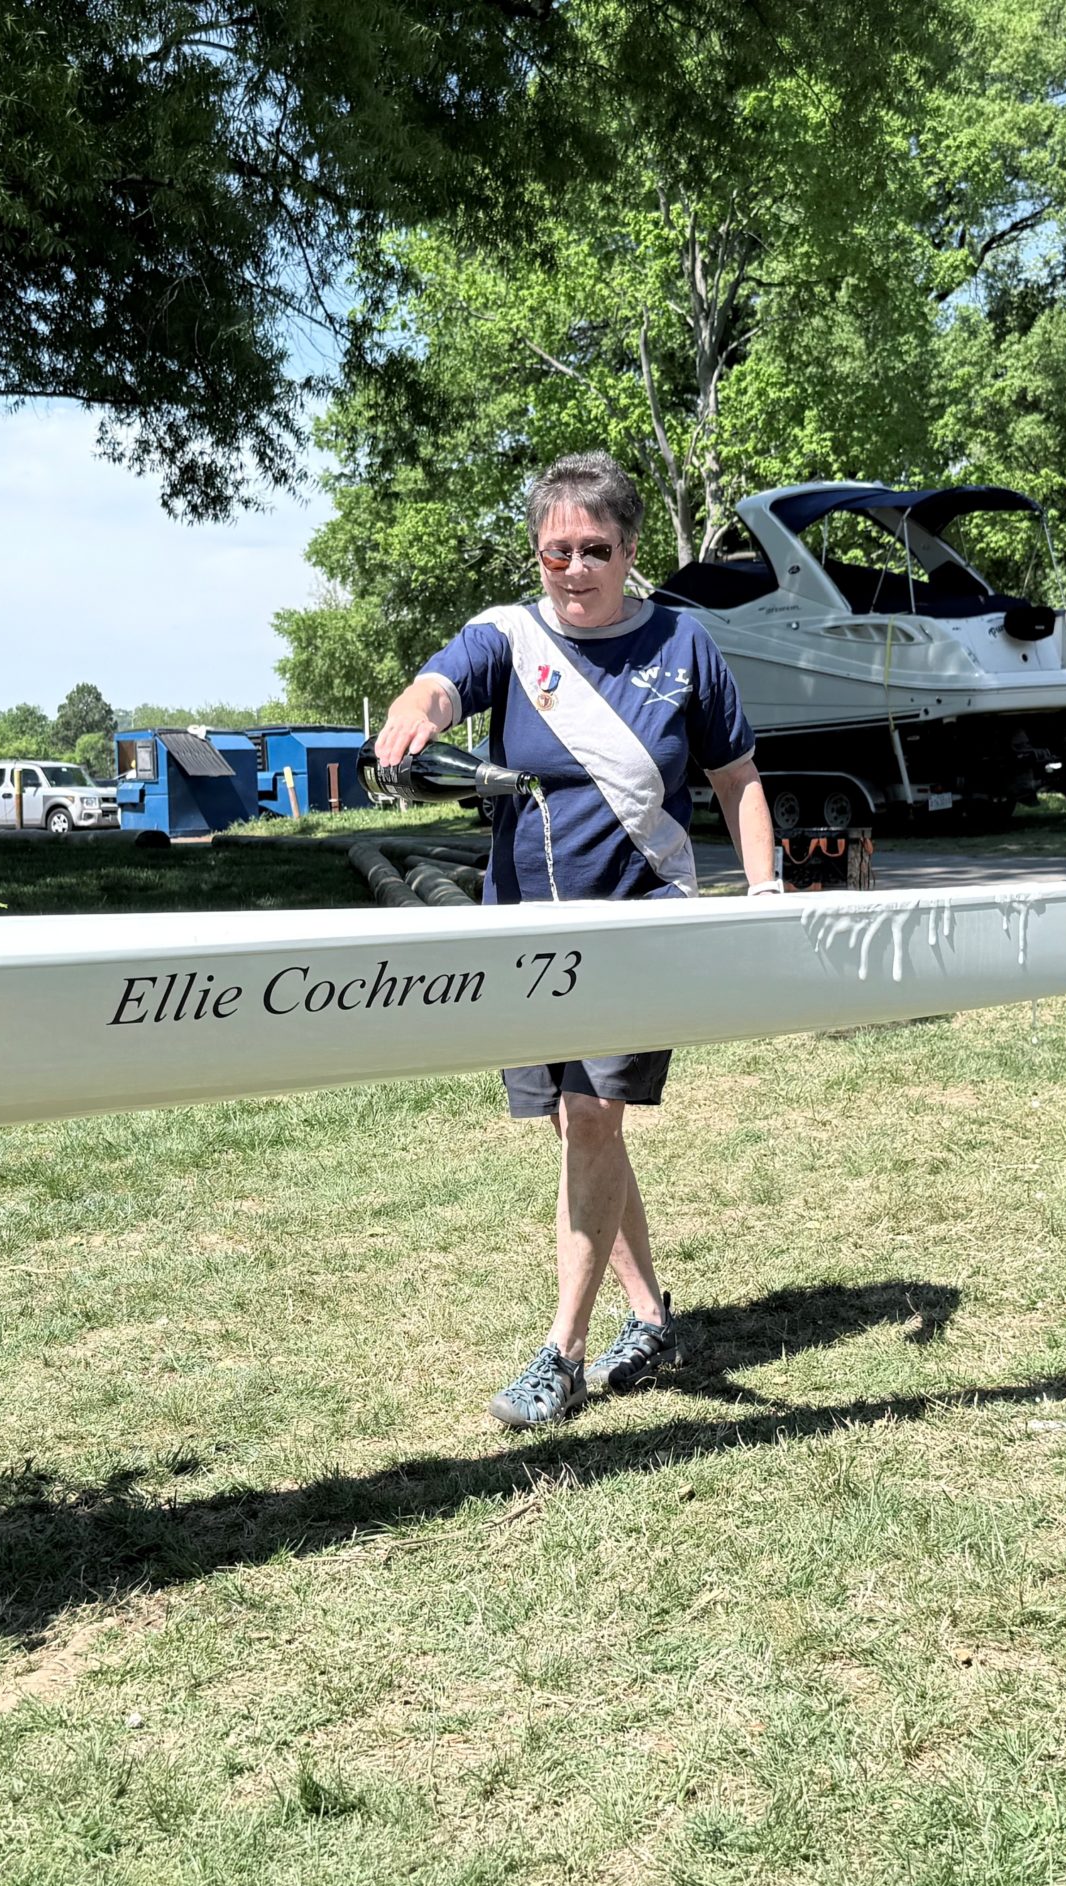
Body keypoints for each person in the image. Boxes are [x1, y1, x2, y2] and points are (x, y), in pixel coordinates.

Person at [375, 452, 778, 1426]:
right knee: (576, 1126)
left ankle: (562, 1354)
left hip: (640, 925)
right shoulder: (506, 637)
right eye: (556, 551)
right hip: (522, 931)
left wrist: (765, 891)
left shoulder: (686, 646)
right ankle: (649, 1314)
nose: (574, 568)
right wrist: (409, 716)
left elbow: (738, 781)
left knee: (594, 1119)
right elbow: (436, 687)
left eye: (595, 549)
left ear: (630, 551)